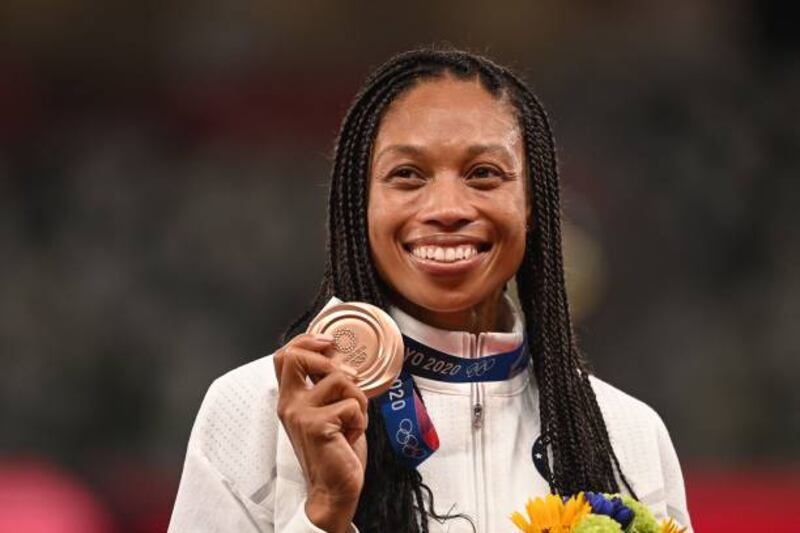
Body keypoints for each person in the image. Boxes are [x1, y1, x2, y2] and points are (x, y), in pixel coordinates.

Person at [167, 47, 692, 533]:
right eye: (408, 175)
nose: (446, 208)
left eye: (484, 173)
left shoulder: (626, 435)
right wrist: (323, 513)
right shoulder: (255, 410)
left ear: (532, 203)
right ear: (360, 203)